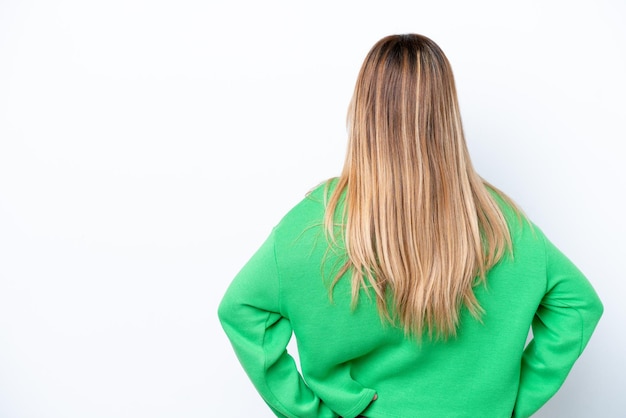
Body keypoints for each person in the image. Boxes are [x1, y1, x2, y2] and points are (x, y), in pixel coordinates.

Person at [217, 34, 603, 418]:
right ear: (447, 115)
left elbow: (241, 312)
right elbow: (579, 308)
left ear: (362, 111)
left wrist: (307, 412)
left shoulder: (316, 223)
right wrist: (509, 401)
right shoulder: (500, 222)